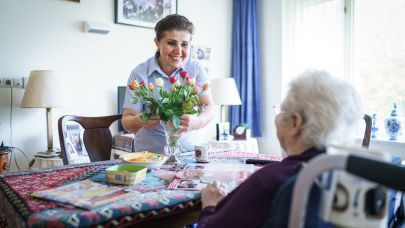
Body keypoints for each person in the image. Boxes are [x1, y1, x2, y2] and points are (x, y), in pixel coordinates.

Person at [197, 70, 364, 227]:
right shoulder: (343, 176)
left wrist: (210, 206)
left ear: (295, 123)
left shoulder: (268, 180)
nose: (277, 117)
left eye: (282, 110)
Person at [122, 14, 214, 154]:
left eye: (184, 44)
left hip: (189, 155)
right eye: (171, 43)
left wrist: (198, 122)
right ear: (157, 43)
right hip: (149, 157)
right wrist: (139, 121)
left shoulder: (196, 69)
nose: (178, 50)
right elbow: (126, 121)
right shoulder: (139, 73)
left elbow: (209, 106)